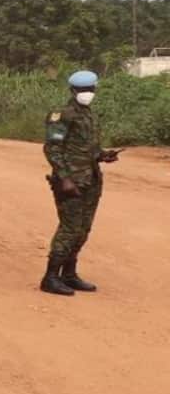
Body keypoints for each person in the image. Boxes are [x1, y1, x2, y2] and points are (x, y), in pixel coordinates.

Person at [40, 70, 120, 296]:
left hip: (90, 180)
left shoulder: (89, 115)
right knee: (69, 228)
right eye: (83, 90)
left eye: (90, 89)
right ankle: (50, 277)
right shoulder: (61, 115)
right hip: (71, 183)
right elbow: (52, 148)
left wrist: (103, 155)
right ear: (73, 90)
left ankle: (69, 274)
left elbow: (88, 149)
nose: (88, 93)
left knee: (83, 230)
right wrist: (64, 178)